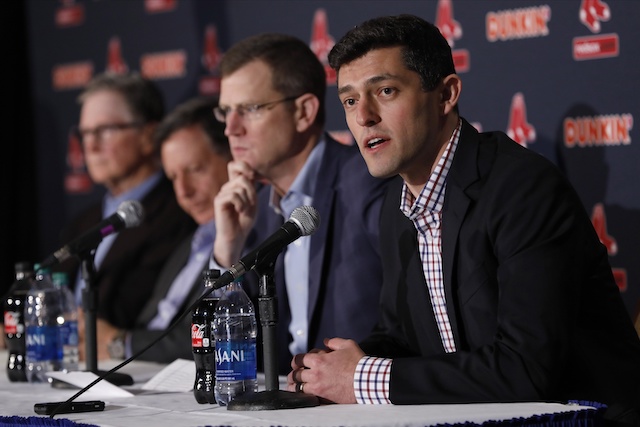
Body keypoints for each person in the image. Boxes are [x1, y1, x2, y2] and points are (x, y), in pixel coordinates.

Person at [287, 15, 640, 425]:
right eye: (349, 101)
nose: (363, 116)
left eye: (385, 91)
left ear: (446, 95)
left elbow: (526, 368)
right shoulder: (396, 206)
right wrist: (332, 370)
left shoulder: (522, 189)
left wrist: (363, 377)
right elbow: (401, 336)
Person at [212, 33, 393, 374]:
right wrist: (228, 251)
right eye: (226, 112)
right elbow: (222, 352)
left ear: (303, 112)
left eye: (249, 110)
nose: (231, 130)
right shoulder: (257, 208)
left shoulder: (368, 183)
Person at [88, 97, 231, 362]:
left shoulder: (253, 237)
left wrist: (119, 343)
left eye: (195, 170)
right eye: (174, 177)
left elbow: (217, 334)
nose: (184, 192)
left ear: (232, 156)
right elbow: (153, 322)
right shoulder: (191, 243)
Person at [57, 72, 196, 342]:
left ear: (148, 135)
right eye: (85, 133)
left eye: (105, 130)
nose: (91, 145)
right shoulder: (83, 222)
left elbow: (138, 315)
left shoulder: (179, 214)